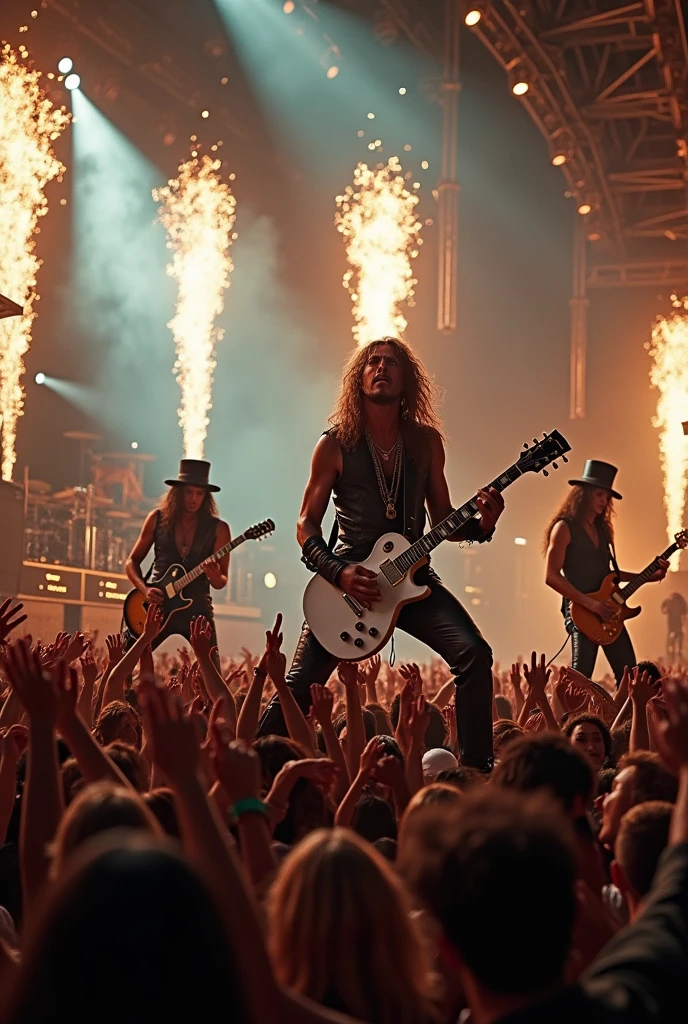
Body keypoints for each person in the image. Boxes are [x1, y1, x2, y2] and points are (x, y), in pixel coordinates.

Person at [258, 337, 504, 771]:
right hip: (352, 582)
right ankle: (252, 763)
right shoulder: (335, 443)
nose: (381, 367)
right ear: (359, 377)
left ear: (407, 380)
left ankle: (477, 768)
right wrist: (339, 573)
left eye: (391, 362)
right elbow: (305, 526)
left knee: (474, 655)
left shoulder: (426, 443)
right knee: (299, 684)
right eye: (372, 362)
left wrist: (484, 524)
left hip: (413, 579)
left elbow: (444, 517)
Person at [543, 460, 668, 683]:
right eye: (600, 495)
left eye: (607, 497)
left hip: (609, 611)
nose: (605, 501)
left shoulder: (602, 530)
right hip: (581, 611)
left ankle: (625, 718)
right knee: (580, 680)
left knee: (630, 677)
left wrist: (650, 575)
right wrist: (591, 604)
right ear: (584, 494)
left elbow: (611, 574)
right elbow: (551, 576)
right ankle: (574, 718)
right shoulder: (564, 527)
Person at [124, 459, 229, 651]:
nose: (193, 499)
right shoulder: (156, 518)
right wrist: (144, 589)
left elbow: (221, 581)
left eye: (199, 493)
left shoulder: (219, 529)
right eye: (189, 492)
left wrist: (215, 576)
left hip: (197, 607)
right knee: (126, 661)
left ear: (206, 496)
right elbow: (131, 561)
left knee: (211, 671)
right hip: (157, 603)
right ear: (178, 492)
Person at [661, 591, 687, 662]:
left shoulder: (670, 602)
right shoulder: (681, 603)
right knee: (677, 644)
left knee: (671, 644)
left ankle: (673, 658)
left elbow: (663, 610)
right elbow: (685, 615)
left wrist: (664, 603)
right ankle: (676, 657)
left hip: (673, 627)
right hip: (677, 627)